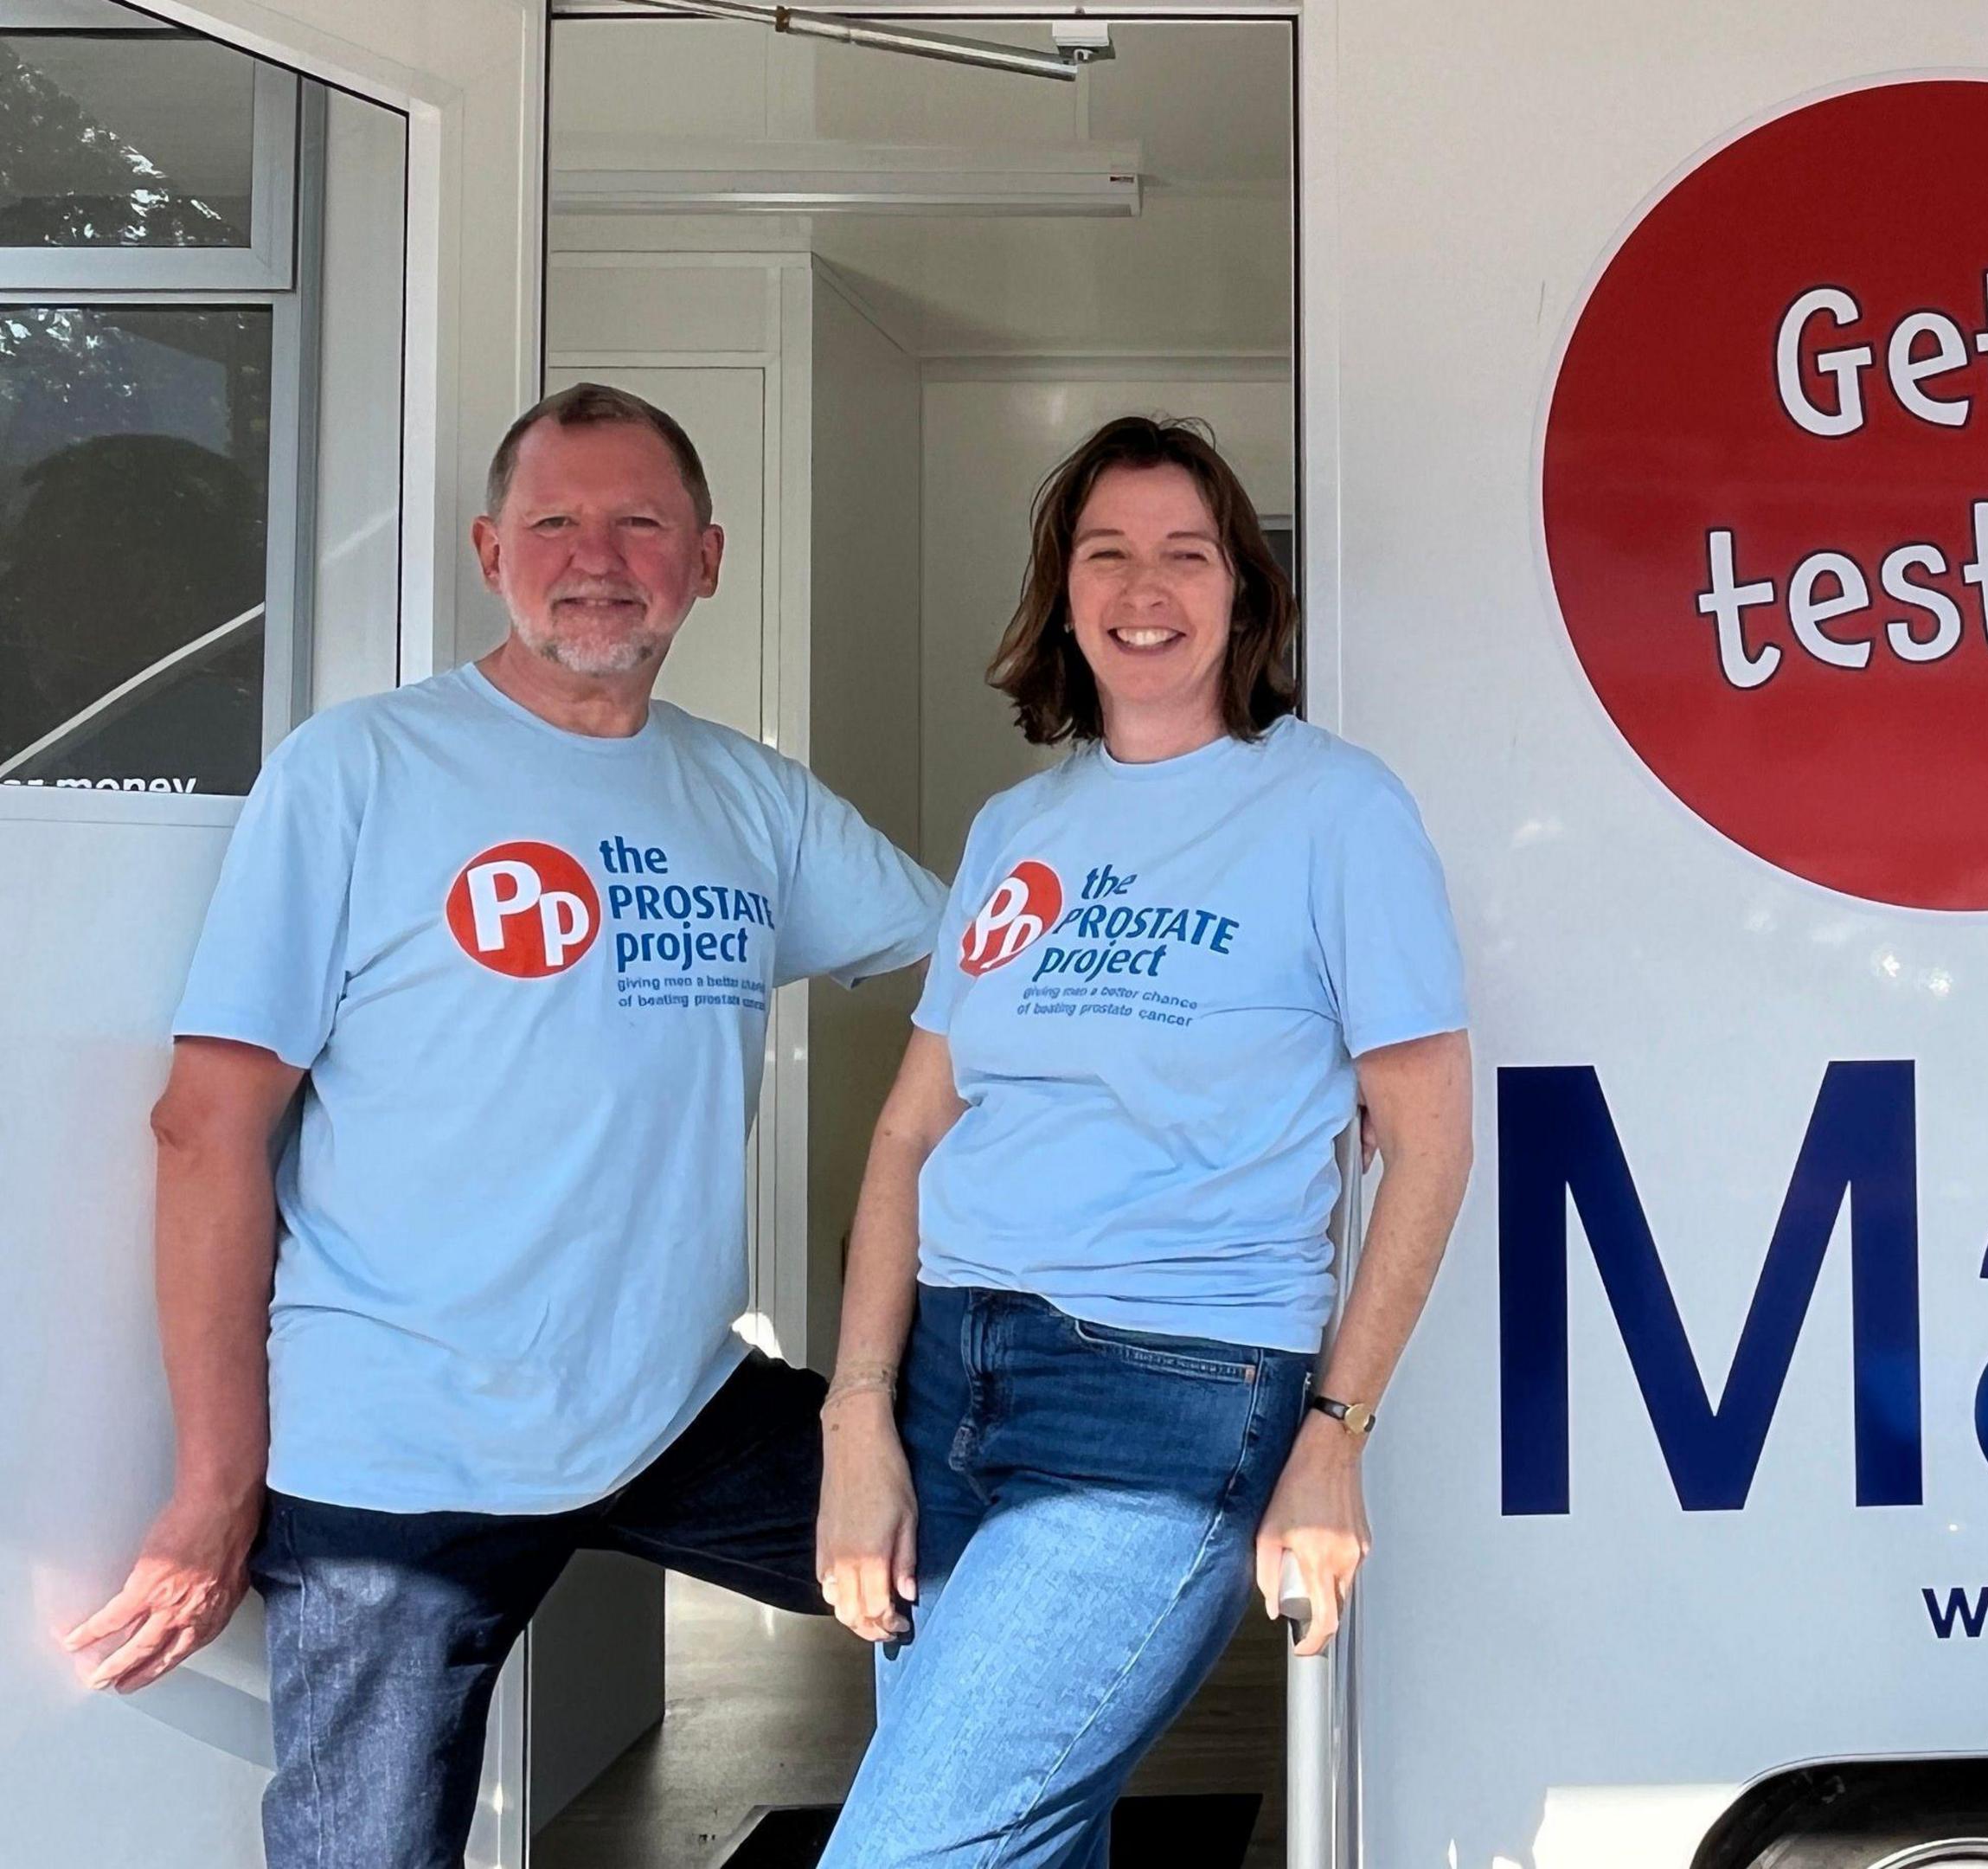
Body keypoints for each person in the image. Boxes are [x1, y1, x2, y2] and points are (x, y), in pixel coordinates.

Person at [59, 383, 947, 1869]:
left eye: (640, 522)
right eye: (553, 521)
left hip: (674, 1410)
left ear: (707, 558)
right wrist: (215, 1492)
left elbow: (998, 957)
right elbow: (205, 1130)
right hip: (397, 1451)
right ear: (490, 550)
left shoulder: (749, 799)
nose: (594, 556)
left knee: (999, 1555)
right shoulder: (361, 772)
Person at [812, 415, 1472, 1866]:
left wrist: (1336, 1437)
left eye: (1187, 553)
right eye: (1106, 553)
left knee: (914, 1850)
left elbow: (1428, 1143)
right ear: (1062, 592)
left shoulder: (1333, 811)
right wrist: (857, 1417)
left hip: (1168, 1400)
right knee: (1029, 1842)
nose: (1144, 587)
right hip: (945, 1382)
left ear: (1245, 591)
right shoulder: (1017, 828)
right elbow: (913, 1130)